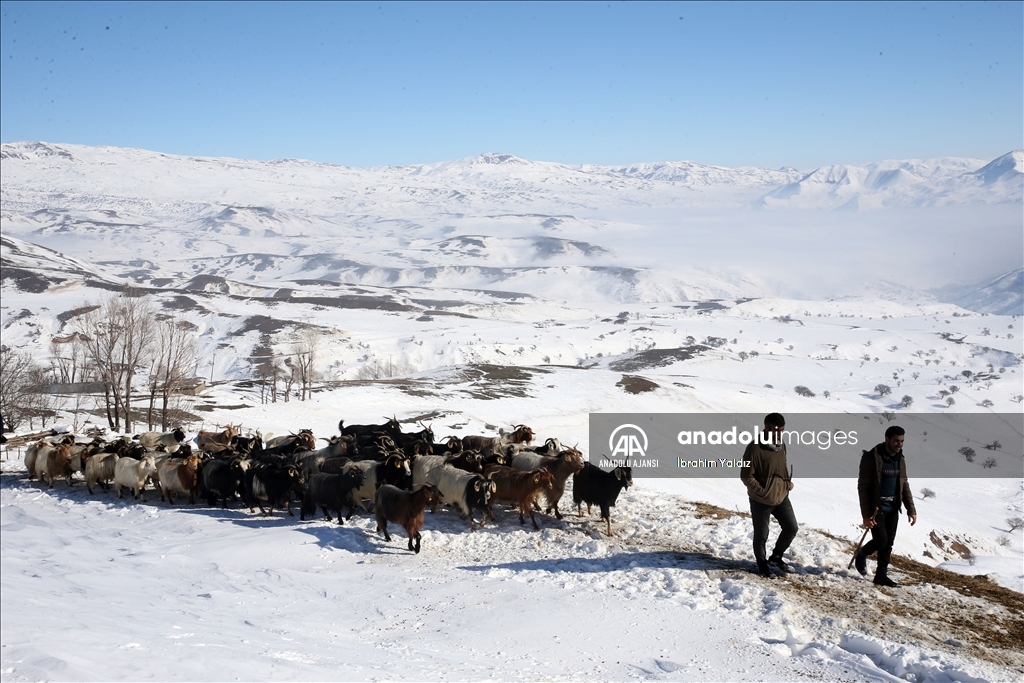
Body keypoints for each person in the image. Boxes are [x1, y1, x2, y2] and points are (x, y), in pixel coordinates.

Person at [855, 425, 918, 587]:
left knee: (888, 543)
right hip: (877, 509)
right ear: (887, 439)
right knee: (881, 540)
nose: (899, 444)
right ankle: (862, 554)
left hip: (893, 507)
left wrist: (911, 509)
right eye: (896, 440)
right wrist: (866, 515)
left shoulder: (900, 459)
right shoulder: (872, 457)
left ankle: (881, 575)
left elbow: (904, 485)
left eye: (902, 441)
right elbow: (863, 487)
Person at [740, 413, 797, 577]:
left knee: (791, 528)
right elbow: (745, 475)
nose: (779, 433)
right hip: (761, 500)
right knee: (761, 535)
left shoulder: (781, 445)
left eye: (782, 430)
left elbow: (782, 467)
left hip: (781, 497)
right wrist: (762, 492)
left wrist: (786, 483)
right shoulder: (754, 448)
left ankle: (776, 557)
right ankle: (762, 565)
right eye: (776, 430)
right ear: (766, 427)